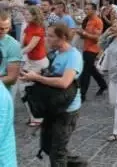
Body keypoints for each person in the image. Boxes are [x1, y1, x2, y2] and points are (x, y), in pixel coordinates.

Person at [20, 24, 83, 166]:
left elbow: (64, 82)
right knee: (48, 146)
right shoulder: (56, 53)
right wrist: (32, 75)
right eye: (46, 35)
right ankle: (81, 165)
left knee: (57, 153)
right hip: (54, 106)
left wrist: (37, 78)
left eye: (51, 36)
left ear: (63, 38)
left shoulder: (74, 56)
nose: (46, 39)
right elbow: (51, 75)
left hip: (67, 111)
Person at [20, 6, 48, 127]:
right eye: (25, 14)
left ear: (34, 16)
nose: (25, 17)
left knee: (28, 89)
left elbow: (30, 46)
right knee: (24, 89)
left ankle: (38, 117)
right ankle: (34, 116)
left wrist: (17, 53)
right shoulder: (28, 27)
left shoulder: (38, 29)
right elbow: (23, 44)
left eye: (28, 15)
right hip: (30, 61)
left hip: (39, 62)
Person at [78, 3, 107, 102]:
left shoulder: (98, 21)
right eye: (85, 9)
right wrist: (81, 33)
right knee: (91, 69)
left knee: (85, 72)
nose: (85, 11)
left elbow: (97, 38)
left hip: (93, 49)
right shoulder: (88, 20)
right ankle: (103, 85)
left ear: (94, 10)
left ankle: (82, 94)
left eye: (88, 9)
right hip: (86, 48)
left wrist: (84, 33)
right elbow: (85, 35)